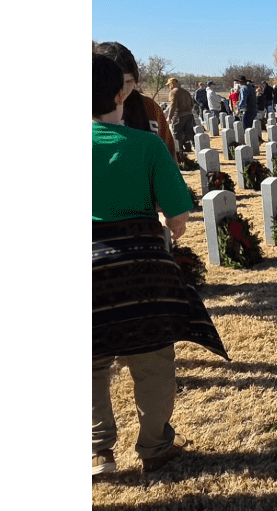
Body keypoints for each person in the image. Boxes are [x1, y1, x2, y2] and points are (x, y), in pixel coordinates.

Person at [92, 54, 227, 476]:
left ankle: (99, 453)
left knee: (90, 363)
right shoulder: (147, 145)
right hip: (142, 270)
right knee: (152, 363)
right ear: (121, 93)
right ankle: (154, 446)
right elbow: (180, 224)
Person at [94, 41, 176, 158]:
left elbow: (169, 154)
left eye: (128, 82)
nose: (122, 89)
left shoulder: (150, 108)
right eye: (117, 82)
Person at [165, 77, 196, 160]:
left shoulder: (173, 92)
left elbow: (173, 105)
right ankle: (189, 148)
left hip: (179, 115)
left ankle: (179, 152)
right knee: (189, 133)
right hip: (189, 115)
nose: (169, 87)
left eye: (169, 85)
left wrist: (169, 117)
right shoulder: (186, 92)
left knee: (176, 134)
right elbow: (192, 104)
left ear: (172, 84)